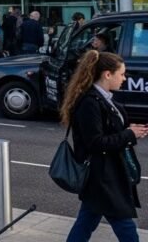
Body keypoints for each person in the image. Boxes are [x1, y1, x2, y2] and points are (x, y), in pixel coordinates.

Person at [61, 50, 148, 241]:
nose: (124, 78)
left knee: (86, 222)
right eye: (122, 74)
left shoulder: (104, 98)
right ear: (107, 74)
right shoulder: (89, 103)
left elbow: (110, 132)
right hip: (103, 177)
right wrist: (128, 134)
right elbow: (95, 143)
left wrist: (131, 131)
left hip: (105, 174)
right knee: (125, 225)